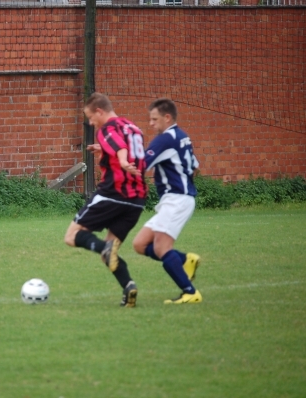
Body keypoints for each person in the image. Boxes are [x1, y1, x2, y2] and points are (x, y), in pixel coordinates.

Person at [64, 92, 148, 307]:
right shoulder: (133, 128)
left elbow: (120, 147)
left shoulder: (108, 128)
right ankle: (128, 287)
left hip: (113, 193)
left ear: (100, 111)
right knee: (109, 252)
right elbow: (126, 146)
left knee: (73, 236)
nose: (92, 123)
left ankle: (104, 248)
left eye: (91, 118)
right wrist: (105, 150)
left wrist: (120, 159)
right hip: (136, 200)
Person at [132, 98, 202, 304]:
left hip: (177, 200)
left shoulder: (164, 139)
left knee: (162, 248)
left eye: (154, 119)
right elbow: (195, 167)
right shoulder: (182, 136)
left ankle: (190, 293)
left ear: (167, 117)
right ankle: (184, 259)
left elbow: (141, 166)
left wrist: (112, 157)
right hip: (177, 199)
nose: (151, 124)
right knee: (140, 244)